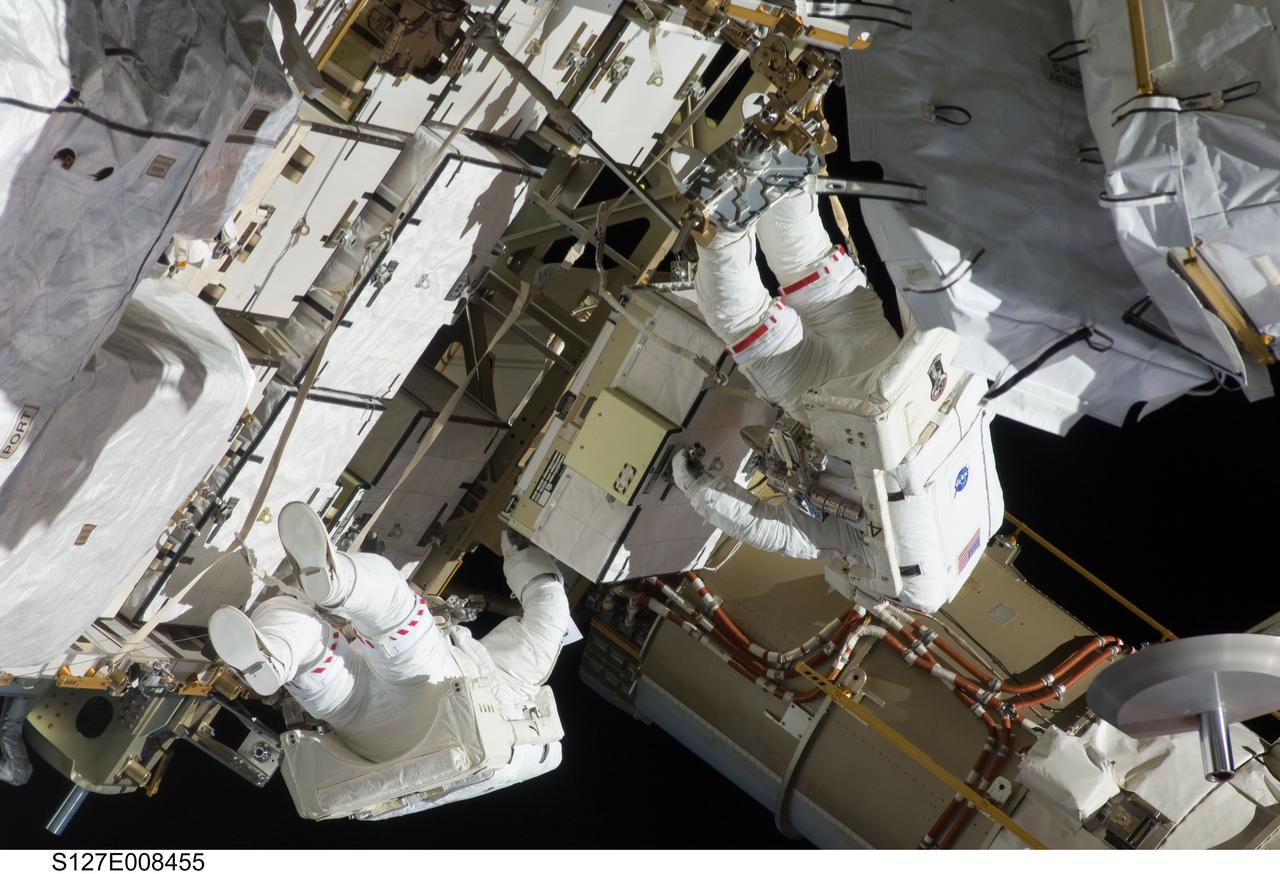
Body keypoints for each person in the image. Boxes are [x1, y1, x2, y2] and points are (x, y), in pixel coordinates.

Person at [672, 178, 996, 612]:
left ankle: (782, 163)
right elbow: (775, 529)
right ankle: (721, 225)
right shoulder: (882, 554)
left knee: (808, 262)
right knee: (745, 320)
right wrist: (697, 487)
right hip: (827, 399)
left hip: (890, 355)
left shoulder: (983, 508)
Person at [209, 502, 570, 812]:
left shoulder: (520, 688)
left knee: (395, 610)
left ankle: (337, 581)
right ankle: (276, 660)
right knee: (296, 632)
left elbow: (550, 611)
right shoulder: (449, 785)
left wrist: (518, 543)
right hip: (365, 741)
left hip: (430, 698)